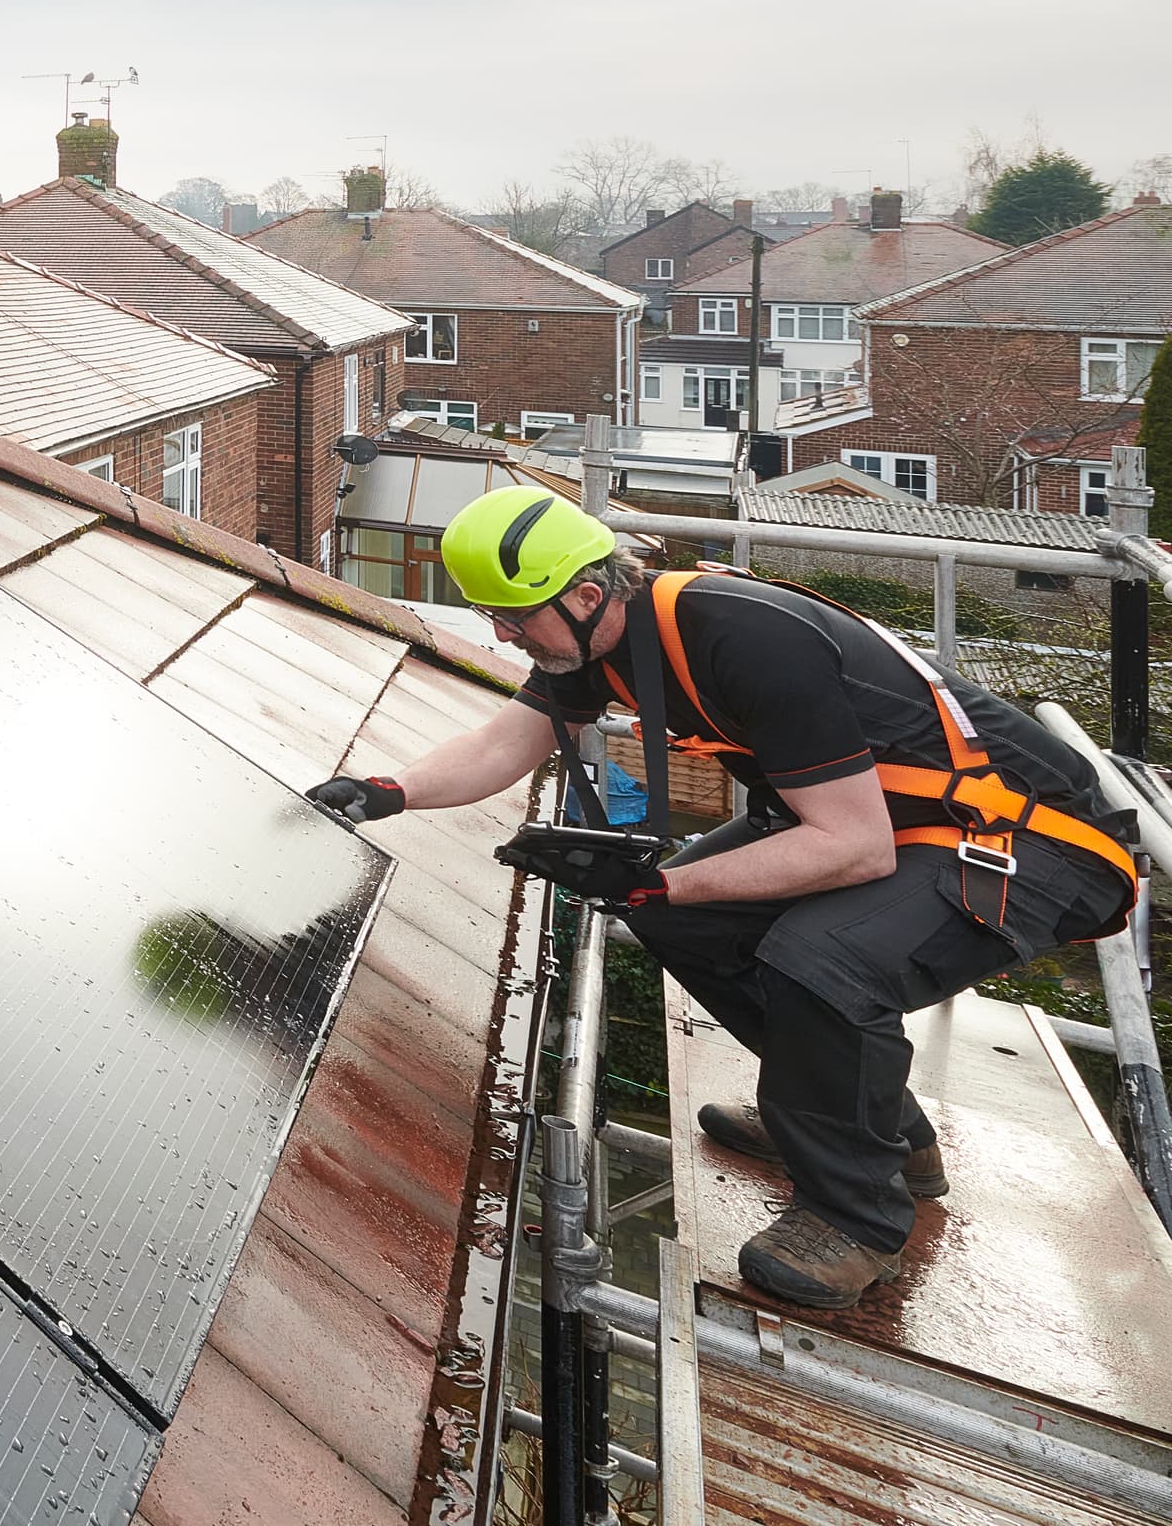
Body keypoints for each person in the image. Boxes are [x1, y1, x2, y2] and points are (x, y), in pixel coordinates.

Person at [306, 486, 1139, 1310]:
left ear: (589, 595)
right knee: (680, 916)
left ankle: (856, 1219)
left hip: (1027, 845)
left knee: (821, 957)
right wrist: (387, 791)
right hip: (896, 823)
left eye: (515, 617)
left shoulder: (743, 638)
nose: (501, 633)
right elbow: (503, 745)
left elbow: (852, 847)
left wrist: (661, 874)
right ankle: (857, 1125)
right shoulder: (592, 645)